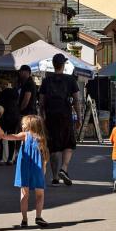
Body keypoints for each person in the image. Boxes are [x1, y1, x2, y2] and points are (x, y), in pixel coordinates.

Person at [39, 54, 82, 185]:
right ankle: (64, 168)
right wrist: (79, 117)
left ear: (53, 64)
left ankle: (55, 177)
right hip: (65, 115)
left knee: (53, 147)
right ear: (63, 65)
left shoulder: (46, 81)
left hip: (50, 116)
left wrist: (42, 117)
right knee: (68, 144)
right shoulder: (70, 80)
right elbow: (76, 100)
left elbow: (41, 102)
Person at [0, 114, 49, 228]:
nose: (22, 125)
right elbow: (45, 156)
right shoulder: (41, 138)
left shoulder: (25, 135)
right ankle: (38, 216)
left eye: (24, 123)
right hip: (37, 169)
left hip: (24, 168)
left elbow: (13, 137)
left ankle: (24, 219)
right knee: (40, 195)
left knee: (24, 194)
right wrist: (44, 169)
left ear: (30, 125)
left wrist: (2, 135)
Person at [0, 80, 21, 165]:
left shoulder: (3, 93)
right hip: (14, 117)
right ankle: (10, 159)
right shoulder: (15, 93)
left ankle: (0, 159)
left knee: (0, 138)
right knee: (12, 138)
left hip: (4, 117)